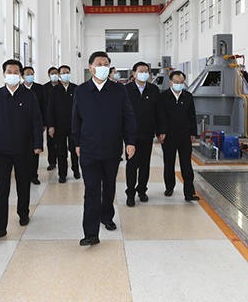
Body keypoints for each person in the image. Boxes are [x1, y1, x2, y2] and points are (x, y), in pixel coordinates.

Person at [72, 51, 137, 246]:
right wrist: (76, 143)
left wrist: (130, 142)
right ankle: (91, 233)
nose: (102, 67)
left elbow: (128, 117)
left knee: (109, 186)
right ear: (91, 67)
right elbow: (75, 120)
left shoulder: (118, 90)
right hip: (88, 149)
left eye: (106, 64)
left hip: (111, 148)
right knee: (91, 190)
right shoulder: (81, 91)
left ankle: (106, 216)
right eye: (99, 64)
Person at [0, 59, 43, 240]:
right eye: (9, 72)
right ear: (4, 74)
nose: (12, 75)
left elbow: (36, 121)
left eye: (16, 72)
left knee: (23, 183)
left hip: (24, 148)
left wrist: (38, 144)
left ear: (21, 75)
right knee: (2, 187)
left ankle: (23, 212)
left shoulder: (29, 95)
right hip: (2, 149)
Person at [124, 61, 166, 207]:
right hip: (131, 134)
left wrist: (161, 130)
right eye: (140, 71)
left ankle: (142, 190)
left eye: (146, 71)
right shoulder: (126, 90)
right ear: (134, 74)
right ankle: (130, 193)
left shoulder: (153, 90)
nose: (144, 74)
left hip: (147, 133)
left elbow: (159, 111)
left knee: (144, 164)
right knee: (132, 164)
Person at [159, 70, 200, 202]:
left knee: (186, 164)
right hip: (168, 136)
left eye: (181, 82)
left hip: (185, 136)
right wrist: (160, 132)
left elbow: (192, 115)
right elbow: (160, 116)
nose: (179, 84)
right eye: (176, 82)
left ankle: (189, 192)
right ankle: (169, 187)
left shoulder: (188, 96)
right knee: (169, 163)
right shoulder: (163, 97)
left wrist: (193, 133)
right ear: (170, 82)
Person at [47, 65, 79, 183]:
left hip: (73, 126)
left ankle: (76, 170)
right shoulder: (53, 91)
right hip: (59, 126)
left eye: (67, 72)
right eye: (63, 73)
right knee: (61, 151)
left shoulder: (76, 89)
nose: (66, 75)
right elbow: (50, 109)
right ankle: (62, 174)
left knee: (74, 149)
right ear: (59, 76)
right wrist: (51, 126)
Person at [21, 66, 46, 185]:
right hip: (22, 125)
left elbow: (43, 106)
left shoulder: (39, 88)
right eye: (27, 74)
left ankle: (33, 175)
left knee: (35, 151)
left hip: (36, 124)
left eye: (32, 74)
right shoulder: (19, 89)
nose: (30, 76)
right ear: (22, 76)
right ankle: (24, 175)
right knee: (23, 152)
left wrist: (44, 123)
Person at [43, 67, 60, 171]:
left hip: (61, 119)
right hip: (50, 119)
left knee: (61, 143)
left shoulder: (62, 86)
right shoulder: (44, 88)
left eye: (56, 73)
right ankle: (52, 162)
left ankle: (61, 160)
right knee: (51, 142)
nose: (54, 75)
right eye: (52, 73)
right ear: (49, 75)